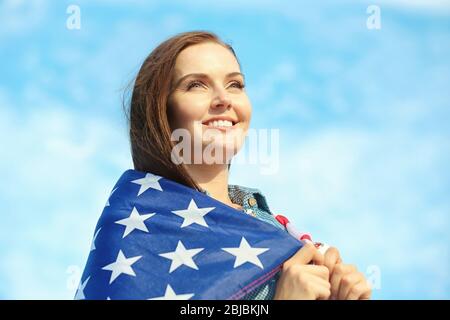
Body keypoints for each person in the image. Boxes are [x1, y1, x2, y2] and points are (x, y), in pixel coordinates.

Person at [124, 30, 371, 300]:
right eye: (197, 85)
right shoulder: (137, 232)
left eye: (235, 84)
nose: (223, 99)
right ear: (160, 110)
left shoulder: (274, 229)